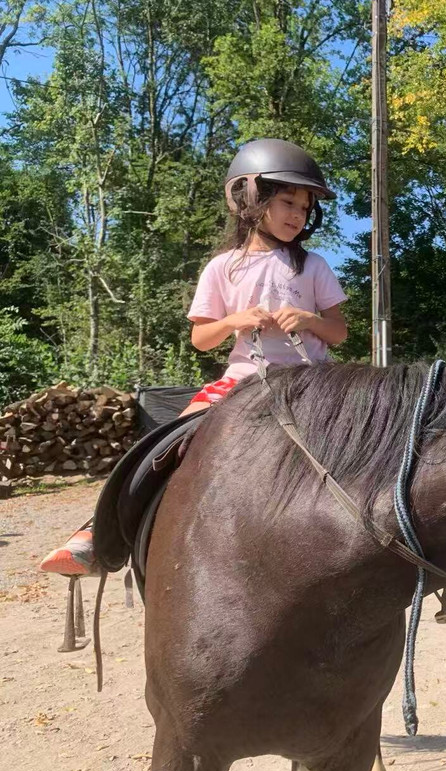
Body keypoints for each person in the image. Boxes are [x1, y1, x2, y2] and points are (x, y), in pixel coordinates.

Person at [39, 138, 347, 576]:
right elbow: (201, 338)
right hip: (245, 379)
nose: (297, 214)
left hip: (313, 379)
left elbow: (338, 331)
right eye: (287, 202)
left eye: (304, 206)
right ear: (252, 199)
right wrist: (234, 321)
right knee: (167, 444)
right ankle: (98, 534)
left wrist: (309, 320)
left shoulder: (312, 266)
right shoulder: (222, 268)